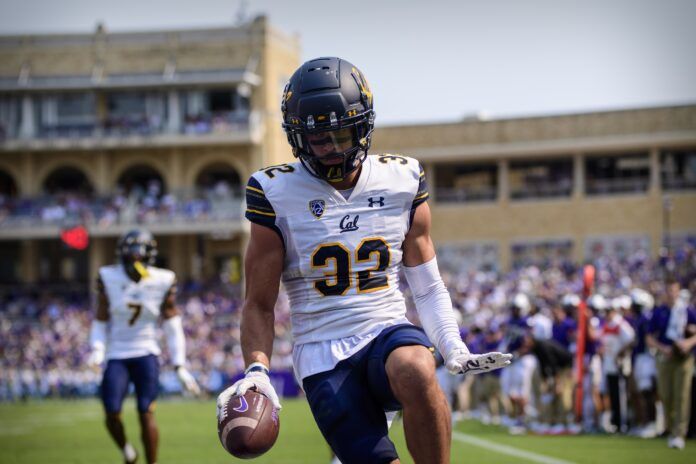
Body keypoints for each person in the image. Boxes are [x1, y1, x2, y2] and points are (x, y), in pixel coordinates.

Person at [216, 57, 511, 464]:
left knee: (417, 367)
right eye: (320, 139)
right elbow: (259, 303)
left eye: (343, 134)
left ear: (365, 124)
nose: (334, 150)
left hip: (385, 329)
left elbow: (426, 284)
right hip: (321, 352)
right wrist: (257, 371)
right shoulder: (274, 191)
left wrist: (452, 345)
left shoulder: (402, 179)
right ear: (297, 137)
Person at [87, 229, 200, 464]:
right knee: (111, 413)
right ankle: (127, 451)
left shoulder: (163, 279)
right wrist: (97, 349)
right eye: (130, 252)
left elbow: (172, 324)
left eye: (138, 252)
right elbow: (100, 319)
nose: (134, 257)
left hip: (147, 352)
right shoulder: (108, 276)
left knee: (145, 411)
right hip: (117, 353)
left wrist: (179, 365)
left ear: (149, 255)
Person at [647, 278, 696, 450]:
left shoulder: (687, 310)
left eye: (673, 290)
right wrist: (663, 348)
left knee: (682, 396)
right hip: (665, 358)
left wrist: (688, 343)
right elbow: (649, 338)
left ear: (678, 291)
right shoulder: (659, 311)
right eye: (668, 291)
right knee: (666, 395)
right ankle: (669, 427)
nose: (671, 294)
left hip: (684, 358)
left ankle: (679, 434)